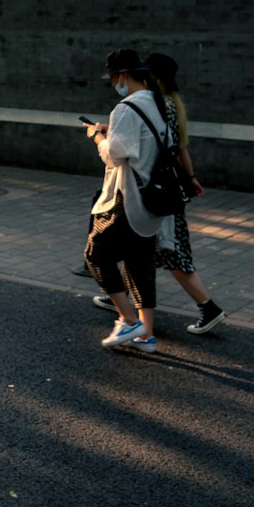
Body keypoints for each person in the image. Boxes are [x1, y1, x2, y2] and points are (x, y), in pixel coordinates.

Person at [91, 52, 227, 333]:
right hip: (165, 187)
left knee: (162, 252)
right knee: (145, 254)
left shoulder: (145, 105)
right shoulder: (165, 104)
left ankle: (199, 308)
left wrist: (101, 138)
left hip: (149, 193)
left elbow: (121, 154)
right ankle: (138, 319)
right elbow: (177, 148)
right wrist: (189, 178)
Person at [82, 48, 169, 353]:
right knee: (139, 265)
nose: (112, 83)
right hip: (153, 201)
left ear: (123, 75)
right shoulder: (159, 103)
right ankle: (147, 336)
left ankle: (129, 320)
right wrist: (112, 133)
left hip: (127, 198)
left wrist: (97, 137)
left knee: (96, 253)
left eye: (113, 77)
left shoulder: (126, 108)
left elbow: (115, 155)